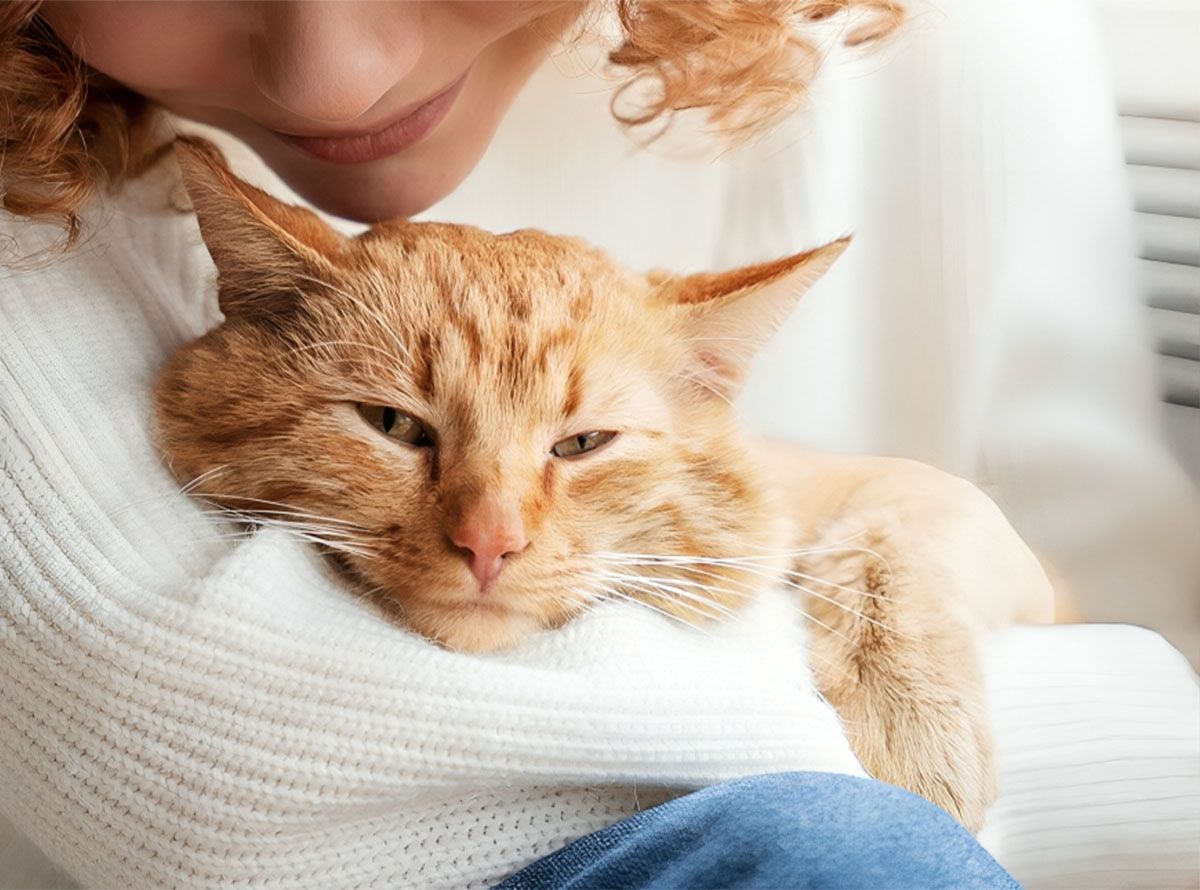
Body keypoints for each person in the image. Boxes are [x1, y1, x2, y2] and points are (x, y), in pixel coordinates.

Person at [1, 2, 1196, 888]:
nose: (335, 75)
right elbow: (232, 779)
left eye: (577, 443)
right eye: (399, 428)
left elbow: (1111, 574)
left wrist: (912, 526)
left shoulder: (965, 47)